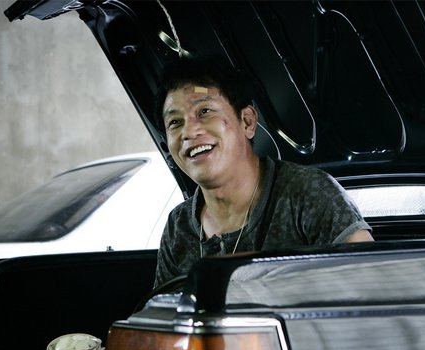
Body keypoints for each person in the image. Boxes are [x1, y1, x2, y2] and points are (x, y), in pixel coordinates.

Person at [153, 56, 373, 288]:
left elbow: (372, 283)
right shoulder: (178, 226)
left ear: (247, 122)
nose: (189, 132)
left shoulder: (307, 194)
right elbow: (163, 308)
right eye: (175, 122)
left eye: (205, 111)